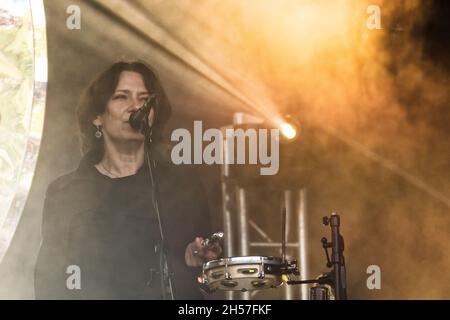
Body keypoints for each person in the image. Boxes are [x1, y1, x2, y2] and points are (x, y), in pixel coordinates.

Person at [34, 61, 221, 299]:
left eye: (145, 100)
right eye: (122, 97)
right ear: (97, 117)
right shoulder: (66, 191)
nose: (136, 107)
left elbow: (206, 269)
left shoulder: (182, 184)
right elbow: (49, 277)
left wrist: (197, 257)